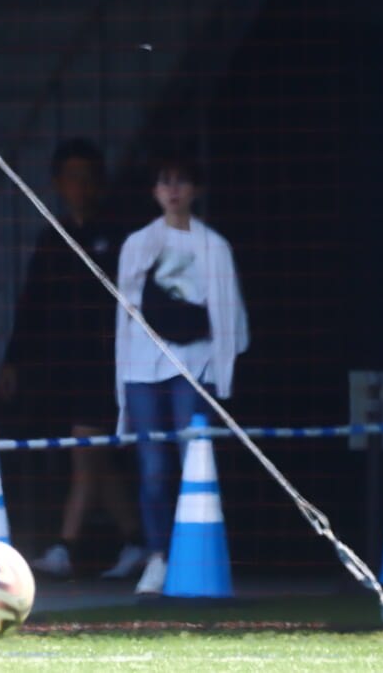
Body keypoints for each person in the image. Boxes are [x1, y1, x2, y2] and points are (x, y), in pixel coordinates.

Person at [0, 138, 146, 580]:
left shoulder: (121, 236)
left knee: (85, 449)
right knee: (95, 456)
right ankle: (138, 541)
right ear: (58, 184)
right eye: (71, 178)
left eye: (87, 177)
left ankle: (66, 545)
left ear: (99, 183)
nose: (79, 186)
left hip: (111, 364)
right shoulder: (52, 240)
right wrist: (13, 361)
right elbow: (32, 306)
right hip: (65, 366)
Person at [115, 158, 249, 595]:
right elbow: (125, 312)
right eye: (165, 181)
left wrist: (223, 371)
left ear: (196, 189)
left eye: (182, 182)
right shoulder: (138, 243)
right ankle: (158, 556)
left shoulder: (215, 246)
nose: (173, 190)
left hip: (195, 365)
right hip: (142, 368)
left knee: (196, 460)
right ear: (154, 190)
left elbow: (230, 316)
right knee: (154, 467)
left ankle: (197, 557)